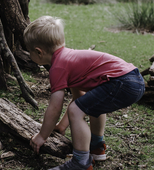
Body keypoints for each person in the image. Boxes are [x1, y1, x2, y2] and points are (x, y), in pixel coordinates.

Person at [24, 16, 145, 170]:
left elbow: (55, 108)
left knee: (77, 110)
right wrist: (62, 126)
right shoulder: (69, 59)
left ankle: (80, 162)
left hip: (123, 83)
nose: (29, 55)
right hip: (134, 79)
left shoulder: (58, 67)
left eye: (29, 51)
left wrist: (42, 136)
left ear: (38, 52)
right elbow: (79, 98)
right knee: (90, 103)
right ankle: (96, 147)